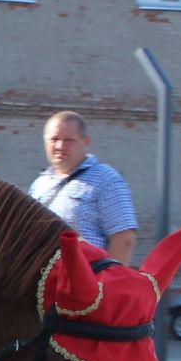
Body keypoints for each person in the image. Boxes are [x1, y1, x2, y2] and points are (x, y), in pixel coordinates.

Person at [29, 111, 137, 263]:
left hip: (85, 280)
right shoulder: (39, 184)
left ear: (85, 141)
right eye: (54, 139)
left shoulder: (106, 179)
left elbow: (124, 239)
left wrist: (106, 283)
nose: (60, 146)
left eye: (69, 140)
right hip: (44, 280)